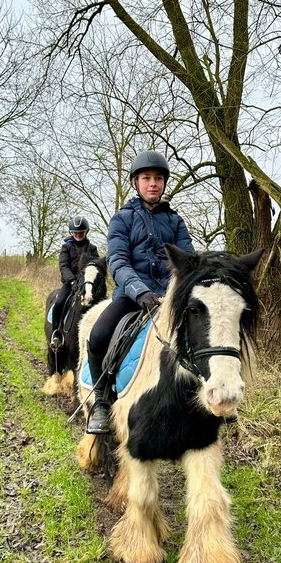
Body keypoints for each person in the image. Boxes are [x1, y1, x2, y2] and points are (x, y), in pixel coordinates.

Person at [85, 151, 194, 434]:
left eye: (158, 178)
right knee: (97, 338)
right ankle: (100, 402)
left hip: (168, 299)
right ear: (136, 183)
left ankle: (213, 400)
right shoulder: (121, 219)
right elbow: (118, 261)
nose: (153, 183)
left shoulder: (175, 222)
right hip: (131, 298)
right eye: (146, 178)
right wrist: (139, 291)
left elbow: (187, 262)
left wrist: (177, 292)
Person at [53, 216, 99, 347]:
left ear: (86, 232)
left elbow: (94, 267)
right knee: (59, 302)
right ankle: (57, 332)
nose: (78, 235)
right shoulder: (66, 247)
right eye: (75, 233)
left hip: (87, 283)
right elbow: (64, 266)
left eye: (81, 232)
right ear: (71, 233)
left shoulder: (92, 249)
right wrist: (72, 280)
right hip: (70, 283)